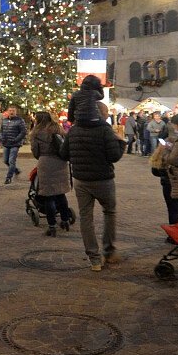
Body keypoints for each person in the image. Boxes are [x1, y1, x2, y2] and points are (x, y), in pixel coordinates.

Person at [60, 102, 124, 271]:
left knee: (86, 218)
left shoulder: (73, 129)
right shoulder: (105, 130)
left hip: (81, 180)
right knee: (109, 212)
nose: (108, 115)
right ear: (100, 113)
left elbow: (64, 153)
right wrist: (121, 143)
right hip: (103, 179)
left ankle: (94, 259)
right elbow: (114, 156)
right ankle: (109, 250)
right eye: (106, 112)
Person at [29, 111, 72, 237]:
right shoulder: (58, 128)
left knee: (49, 196)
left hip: (46, 163)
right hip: (60, 163)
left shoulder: (36, 133)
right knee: (60, 194)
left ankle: (52, 226)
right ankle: (65, 220)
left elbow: (36, 152)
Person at [0, 106, 27, 184]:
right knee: (5, 160)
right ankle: (15, 170)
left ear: (15, 112)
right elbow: (1, 130)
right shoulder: (4, 120)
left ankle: (8, 177)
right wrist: (2, 138)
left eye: (13, 111)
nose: (11, 112)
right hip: (6, 143)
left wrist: (16, 139)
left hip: (15, 144)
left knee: (11, 161)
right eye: (10, 110)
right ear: (7, 111)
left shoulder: (20, 120)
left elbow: (23, 132)